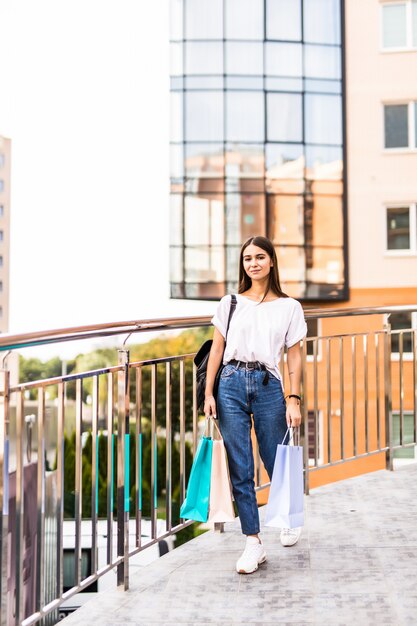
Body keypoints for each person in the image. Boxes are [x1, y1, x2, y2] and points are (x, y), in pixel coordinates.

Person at [204, 235, 307, 574]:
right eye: (247, 258)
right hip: (230, 384)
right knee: (240, 467)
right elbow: (216, 350)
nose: (253, 263)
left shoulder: (289, 307)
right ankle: (253, 541)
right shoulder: (230, 302)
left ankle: (289, 516)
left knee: (275, 457)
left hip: (268, 385)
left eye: (260, 257)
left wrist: (294, 398)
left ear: (272, 261)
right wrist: (208, 393)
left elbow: (294, 356)